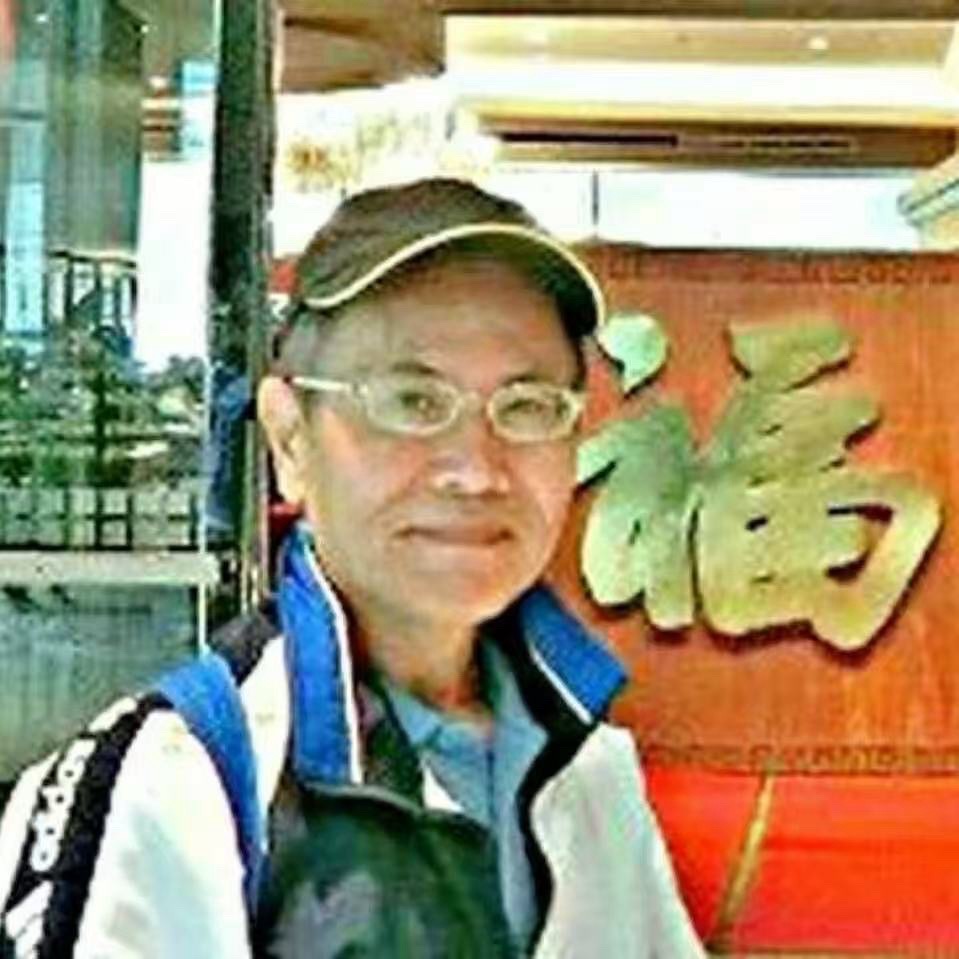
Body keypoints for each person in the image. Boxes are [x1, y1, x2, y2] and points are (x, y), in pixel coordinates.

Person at [0, 178, 704, 958]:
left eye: (526, 406)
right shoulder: (177, 780)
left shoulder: (588, 768)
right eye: (411, 401)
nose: (475, 470)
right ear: (290, 438)